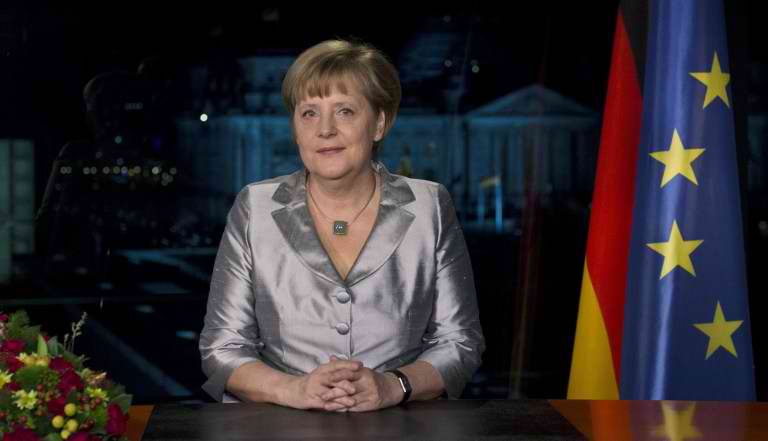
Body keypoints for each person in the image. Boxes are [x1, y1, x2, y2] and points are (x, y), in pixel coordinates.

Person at [199, 39, 484, 412]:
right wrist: (295, 390)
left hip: (400, 429)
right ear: (296, 128)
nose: (325, 130)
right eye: (309, 114)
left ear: (379, 123)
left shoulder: (430, 204)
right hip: (280, 431)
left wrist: (392, 386)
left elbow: (461, 342)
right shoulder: (254, 205)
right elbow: (221, 348)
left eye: (345, 111)